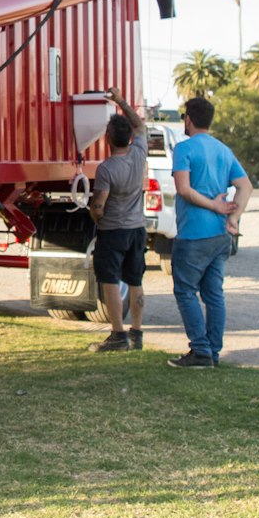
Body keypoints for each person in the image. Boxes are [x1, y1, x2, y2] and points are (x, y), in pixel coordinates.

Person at [167, 96, 251, 369]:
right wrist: (234, 217)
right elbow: (246, 186)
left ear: (188, 119)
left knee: (185, 291)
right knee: (214, 294)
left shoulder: (184, 149)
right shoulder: (223, 150)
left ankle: (200, 350)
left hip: (193, 234)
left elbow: (184, 189)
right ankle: (212, 352)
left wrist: (213, 204)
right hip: (220, 234)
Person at [86, 87, 147, 352]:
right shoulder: (139, 154)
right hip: (137, 229)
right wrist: (121, 100)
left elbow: (99, 207)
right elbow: (140, 125)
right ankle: (137, 333)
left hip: (113, 231)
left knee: (110, 279)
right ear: (130, 137)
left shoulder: (107, 169)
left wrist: (93, 213)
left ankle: (117, 335)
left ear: (108, 138)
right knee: (135, 280)